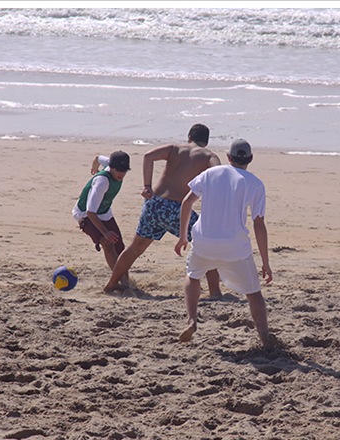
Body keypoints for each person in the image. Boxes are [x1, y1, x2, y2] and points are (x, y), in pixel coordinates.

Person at [174, 139, 273, 346]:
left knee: (193, 276)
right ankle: (264, 337)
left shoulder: (210, 173)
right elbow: (259, 224)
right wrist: (265, 262)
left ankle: (192, 321)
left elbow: (186, 202)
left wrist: (183, 236)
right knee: (254, 294)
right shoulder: (255, 183)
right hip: (234, 247)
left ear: (228, 157)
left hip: (204, 241)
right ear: (250, 158)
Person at [103, 124, 222, 296]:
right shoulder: (208, 156)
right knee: (207, 244)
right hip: (176, 209)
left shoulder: (175, 149)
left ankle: (111, 285)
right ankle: (215, 292)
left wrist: (147, 185)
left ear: (189, 137)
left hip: (154, 203)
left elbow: (148, 156)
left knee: (135, 248)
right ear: (207, 141)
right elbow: (218, 174)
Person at [72, 151, 131, 286]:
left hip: (104, 211)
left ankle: (126, 280)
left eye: (124, 171)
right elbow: (90, 212)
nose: (121, 174)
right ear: (111, 167)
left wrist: (94, 167)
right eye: (118, 170)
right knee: (107, 242)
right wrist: (105, 232)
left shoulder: (110, 163)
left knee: (119, 247)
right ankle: (122, 283)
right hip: (85, 214)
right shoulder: (102, 182)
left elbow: (98, 158)